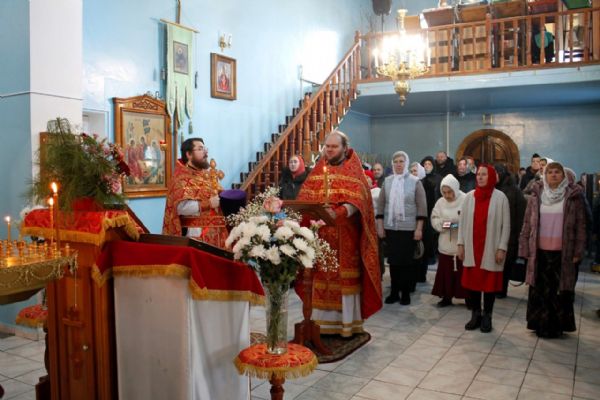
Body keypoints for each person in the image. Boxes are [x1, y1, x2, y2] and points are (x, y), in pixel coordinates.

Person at [296, 131, 382, 337]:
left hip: (345, 237)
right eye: (327, 146)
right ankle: (319, 324)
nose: (329, 150)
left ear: (344, 148)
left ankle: (347, 325)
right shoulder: (318, 171)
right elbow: (305, 198)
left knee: (344, 279)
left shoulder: (354, 170)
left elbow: (359, 201)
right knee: (320, 277)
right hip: (320, 237)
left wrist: (340, 212)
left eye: (334, 147)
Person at [519, 162, 586, 338]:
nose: (554, 175)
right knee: (539, 290)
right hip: (539, 251)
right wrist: (524, 247)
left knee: (559, 291)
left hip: (563, 253)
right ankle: (539, 324)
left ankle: (557, 327)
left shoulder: (572, 197)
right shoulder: (536, 196)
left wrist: (578, 251)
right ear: (545, 175)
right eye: (550, 172)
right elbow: (527, 223)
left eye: (557, 172)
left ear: (563, 176)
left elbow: (580, 226)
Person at [457, 164, 510, 333]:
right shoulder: (469, 197)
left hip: (491, 249)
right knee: (472, 284)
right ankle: (476, 314)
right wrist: (460, 244)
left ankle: (487, 316)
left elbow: (506, 226)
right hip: (472, 248)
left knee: (489, 285)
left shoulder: (501, 198)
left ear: (492, 177)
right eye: (478, 174)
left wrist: (502, 247)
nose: (480, 177)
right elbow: (462, 223)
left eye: (484, 174)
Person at [376, 151, 427, 305]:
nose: (398, 164)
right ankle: (394, 292)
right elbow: (381, 206)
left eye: (401, 161)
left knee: (406, 262)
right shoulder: (387, 181)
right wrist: (380, 226)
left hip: (408, 228)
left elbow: (422, 207)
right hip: (390, 227)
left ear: (406, 163)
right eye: (396, 161)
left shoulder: (415, 181)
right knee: (393, 262)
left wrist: (419, 229)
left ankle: (405, 293)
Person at [162, 138, 228, 248]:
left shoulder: (207, 175)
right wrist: (209, 203)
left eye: (205, 149)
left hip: (217, 234)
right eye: (200, 149)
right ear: (189, 154)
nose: (205, 152)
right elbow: (181, 208)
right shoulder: (181, 179)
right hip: (196, 235)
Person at [431, 174, 468, 307]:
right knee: (446, 274)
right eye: (444, 192)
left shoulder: (465, 199)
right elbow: (435, 219)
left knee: (464, 274)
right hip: (446, 244)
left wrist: (456, 223)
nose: (447, 195)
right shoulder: (440, 202)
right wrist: (451, 225)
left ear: (455, 189)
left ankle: (468, 298)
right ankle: (446, 297)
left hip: (461, 245)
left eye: (449, 192)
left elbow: (469, 219)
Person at [494, 164, 526, 298]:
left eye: (497, 173)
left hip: (511, 232)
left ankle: (502, 290)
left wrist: (518, 234)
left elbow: (520, 214)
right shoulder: (491, 189)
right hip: (494, 232)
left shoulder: (514, 190)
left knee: (505, 264)